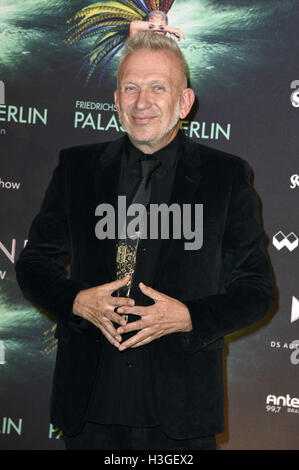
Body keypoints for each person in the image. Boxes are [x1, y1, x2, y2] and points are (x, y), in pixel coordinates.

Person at [15, 31, 274, 450]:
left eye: (158, 87)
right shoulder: (76, 168)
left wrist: (188, 316)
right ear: (116, 100)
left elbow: (257, 290)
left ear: (184, 102)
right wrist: (77, 302)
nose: (142, 102)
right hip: (87, 407)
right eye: (131, 88)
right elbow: (33, 264)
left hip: (180, 412)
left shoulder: (224, 177)